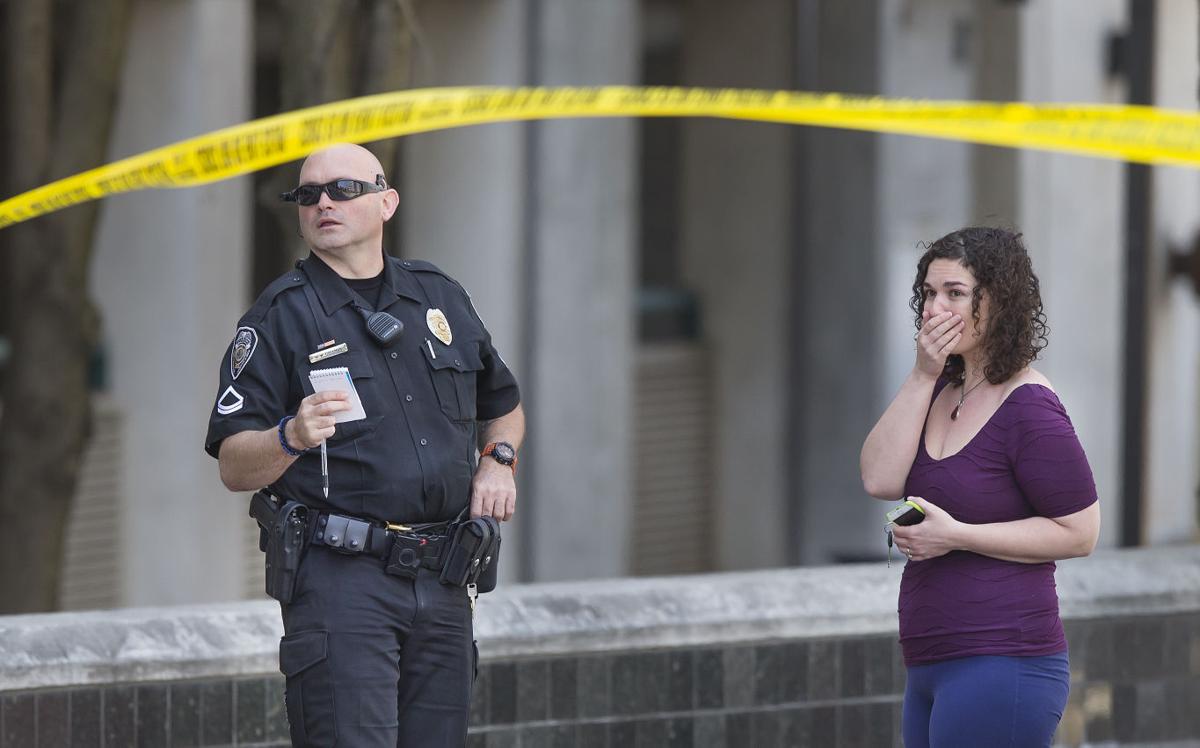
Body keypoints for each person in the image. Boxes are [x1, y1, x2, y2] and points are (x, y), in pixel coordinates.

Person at [204, 143, 524, 747]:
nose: (324, 203)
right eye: (308, 195)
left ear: (386, 201)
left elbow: (502, 406)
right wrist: (289, 436)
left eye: (343, 190)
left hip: (445, 575)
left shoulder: (439, 296)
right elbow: (232, 464)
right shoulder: (279, 317)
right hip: (342, 584)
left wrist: (497, 462)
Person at [860, 227, 1100, 748]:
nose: (934, 308)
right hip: (929, 662)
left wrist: (959, 535)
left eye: (955, 293)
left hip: (1003, 659)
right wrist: (923, 376)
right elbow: (878, 478)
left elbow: (1081, 532)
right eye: (928, 293)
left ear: (997, 303)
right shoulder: (940, 390)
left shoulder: (1029, 406)